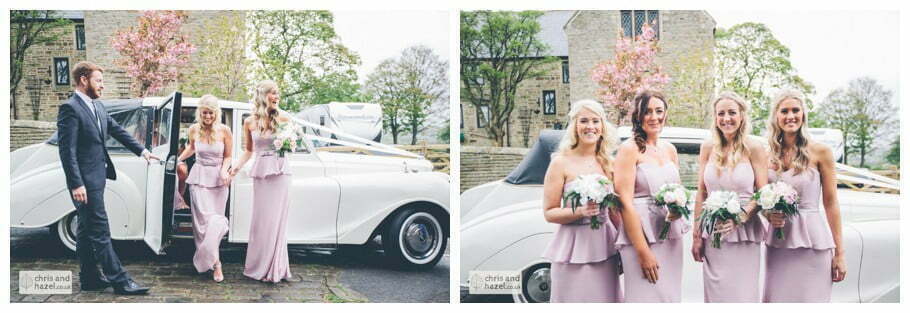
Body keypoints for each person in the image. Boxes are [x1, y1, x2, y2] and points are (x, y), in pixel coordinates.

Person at [56, 61, 157, 295]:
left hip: (98, 178)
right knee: (100, 231)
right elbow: (67, 151)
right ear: (84, 80)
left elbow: (118, 131)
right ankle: (120, 280)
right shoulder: (70, 108)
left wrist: (142, 151)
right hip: (85, 183)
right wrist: (76, 184)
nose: (102, 85)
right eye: (98, 80)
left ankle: (89, 278)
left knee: (84, 230)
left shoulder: (97, 107)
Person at [762, 89, 847, 302]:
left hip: (813, 243)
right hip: (779, 243)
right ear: (776, 117)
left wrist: (840, 254)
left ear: (803, 114)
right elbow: (759, 197)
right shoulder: (767, 155)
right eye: (784, 111)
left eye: (795, 110)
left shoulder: (821, 152)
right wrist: (767, 213)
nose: (790, 116)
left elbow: (831, 203)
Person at [541, 99, 623, 302]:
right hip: (571, 250)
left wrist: (624, 246)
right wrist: (579, 212)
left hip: (605, 250)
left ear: (602, 127)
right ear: (575, 126)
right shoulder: (560, 163)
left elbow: (616, 214)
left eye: (596, 121)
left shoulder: (609, 164)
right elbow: (549, 212)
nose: (590, 127)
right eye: (584, 121)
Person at [691, 92, 768, 302]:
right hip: (713, 234)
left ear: (742, 115)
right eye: (721, 113)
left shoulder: (754, 147)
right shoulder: (707, 147)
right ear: (715, 118)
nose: (726, 118)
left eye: (732, 112)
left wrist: (741, 216)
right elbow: (701, 192)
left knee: (742, 295)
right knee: (717, 295)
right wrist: (696, 236)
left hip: (745, 233)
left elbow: (763, 192)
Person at [613, 90, 685, 302]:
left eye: (659, 111)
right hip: (641, 237)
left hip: (670, 235)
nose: (654, 117)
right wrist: (643, 252)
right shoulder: (629, 149)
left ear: (666, 114)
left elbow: (678, 190)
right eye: (647, 111)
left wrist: (676, 208)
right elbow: (624, 202)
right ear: (638, 115)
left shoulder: (670, 149)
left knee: (670, 297)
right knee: (645, 297)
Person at [230, 80, 294, 283]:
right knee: (261, 221)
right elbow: (249, 151)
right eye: (272, 93)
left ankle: (276, 267)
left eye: (278, 93)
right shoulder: (249, 122)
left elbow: (291, 146)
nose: (276, 97)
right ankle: (259, 265)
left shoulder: (284, 118)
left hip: (280, 173)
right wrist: (236, 167)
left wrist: (287, 143)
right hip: (261, 174)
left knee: (276, 221)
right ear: (262, 95)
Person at [176, 95, 233, 282]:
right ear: (200, 113)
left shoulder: (225, 131)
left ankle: (212, 260)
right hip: (199, 180)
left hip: (218, 181)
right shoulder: (194, 129)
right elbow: (192, 148)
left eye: (210, 113)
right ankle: (216, 264)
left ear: (216, 113)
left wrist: (225, 171)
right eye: (204, 113)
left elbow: (228, 156)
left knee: (214, 223)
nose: (207, 116)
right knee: (202, 225)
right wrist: (178, 159)